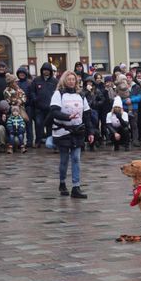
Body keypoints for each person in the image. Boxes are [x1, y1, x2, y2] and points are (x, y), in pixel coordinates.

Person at [49, 71, 94, 199]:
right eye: (68, 79)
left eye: (73, 79)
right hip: (63, 131)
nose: (71, 81)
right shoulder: (58, 94)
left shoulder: (81, 95)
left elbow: (87, 115)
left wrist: (90, 132)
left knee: (76, 159)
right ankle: (62, 182)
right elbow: (54, 112)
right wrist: (68, 117)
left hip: (77, 131)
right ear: (64, 80)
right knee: (64, 160)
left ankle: (76, 186)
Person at [29, 63, 58, 147]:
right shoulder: (36, 80)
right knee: (38, 124)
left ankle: (49, 142)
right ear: (42, 70)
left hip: (50, 108)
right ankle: (38, 141)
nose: (46, 71)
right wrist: (35, 99)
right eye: (44, 70)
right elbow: (32, 91)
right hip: (39, 107)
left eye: (47, 70)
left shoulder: (55, 81)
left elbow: (58, 92)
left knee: (50, 126)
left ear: (50, 71)